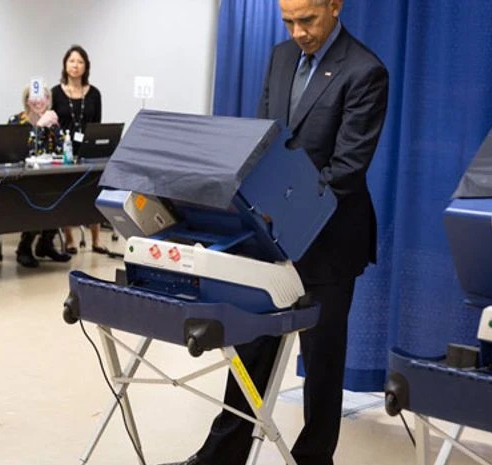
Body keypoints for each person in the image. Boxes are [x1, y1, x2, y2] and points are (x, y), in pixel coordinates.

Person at [165, 2, 389, 465]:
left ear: (334, 6)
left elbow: (346, 169)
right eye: (288, 21)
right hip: (269, 234)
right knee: (251, 344)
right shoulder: (281, 56)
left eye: (307, 20)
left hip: (329, 238)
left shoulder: (365, 71)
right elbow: (265, 137)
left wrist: (285, 214)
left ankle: (313, 459)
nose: (298, 31)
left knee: (322, 360)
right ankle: (222, 455)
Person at [51, 45, 109, 255]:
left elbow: (98, 123)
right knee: (67, 192)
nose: (75, 66)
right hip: (64, 150)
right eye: (71, 61)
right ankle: (69, 237)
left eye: (80, 62)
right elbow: (52, 124)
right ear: (65, 65)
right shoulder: (55, 93)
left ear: (86, 67)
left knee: (92, 190)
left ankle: (96, 238)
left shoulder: (94, 93)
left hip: (88, 150)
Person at [8, 84, 71, 267]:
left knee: (62, 194)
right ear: (26, 100)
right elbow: (17, 150)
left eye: (43, 97)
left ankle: (46, 243)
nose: (38, 101)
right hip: (21, 180)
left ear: (48, 101)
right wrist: (39, 126)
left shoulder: (52, 120)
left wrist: (55, 128)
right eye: (33, 97)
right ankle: (24, 247)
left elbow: (61, 150)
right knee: (37, 197)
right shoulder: (16, 121)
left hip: (48, 176)